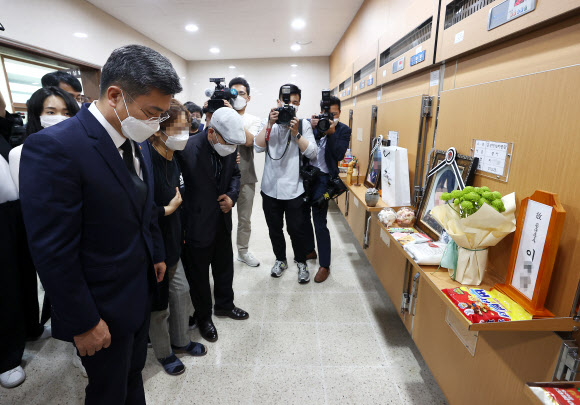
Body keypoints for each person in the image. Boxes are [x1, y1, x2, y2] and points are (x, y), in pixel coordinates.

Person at [19, 44, 180, 404]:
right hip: (99, 307)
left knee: (133, 375)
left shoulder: (134, 140)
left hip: (137, 290)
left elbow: (142, 207)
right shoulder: (55, 147)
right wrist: (83, 322)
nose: (156, 123)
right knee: (108, 390)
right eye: (152, 112)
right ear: (114, 95)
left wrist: (155, 252)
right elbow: (52, 250)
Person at [0, 86, 78, 388]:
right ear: (36, 115)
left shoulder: (82, 146)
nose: (59, 118)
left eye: (65, 112)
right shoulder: (22, 152)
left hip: (77, 231)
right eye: (50, 112)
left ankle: (41, 327)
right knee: (56, 287)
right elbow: (27, 201)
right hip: (46, 234)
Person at [176, 107, 249, 343]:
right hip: (196, 223)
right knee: (199, 274)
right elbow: (178, 187)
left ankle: (225, 305)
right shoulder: (186, 149)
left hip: (221, 219)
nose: (230, 147)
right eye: (227, 142)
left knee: (224, 266)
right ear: (211, 133)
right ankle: (204, 316)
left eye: (233, 144)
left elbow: (236, 174)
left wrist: (232, 196)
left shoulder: (229, 147)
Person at [145, 99, 206, 376]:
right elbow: (135, 209)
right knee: (159, 308)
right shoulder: (146, 160)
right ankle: (164, 352)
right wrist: (166, 210)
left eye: (187, 129)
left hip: (173, 242)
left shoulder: (173, 157)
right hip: (153, 247)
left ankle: (181, 341)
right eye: (178, 130)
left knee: (181, 293)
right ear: (159, 130)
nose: (185, 135)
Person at [254, 84, 318, 283]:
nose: (291, 105)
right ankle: (280, 260)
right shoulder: (268, 122)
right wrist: (269, 124)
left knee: (296, 229)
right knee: (274, 228)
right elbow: (257, 146)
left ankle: (301, 261)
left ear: (299, 104)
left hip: (293, 188)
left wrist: (296, 134)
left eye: (295, 102)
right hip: (269, 187)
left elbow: (313, 153)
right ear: (278, 102)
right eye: (287, 101)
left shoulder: (303, 124)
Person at [305, 96, 352, 283]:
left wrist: (331, 133)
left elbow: (339, 154)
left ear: (339, 113)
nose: (330, 117)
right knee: (302, 216)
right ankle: (310, 250)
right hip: (308, 175)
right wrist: (314, 127)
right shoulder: (312, 125)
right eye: (327, 114)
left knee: (319, 221)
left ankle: (325, 265)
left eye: (334, 114)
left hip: (325, 180)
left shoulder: (343, 130)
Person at [228, 77, 263, 267]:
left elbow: (249, 141)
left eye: (242, 93)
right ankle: (222, 252)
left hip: (246, 175)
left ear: (248, 98)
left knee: (244, 219)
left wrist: (231, 117)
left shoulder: (254, 120)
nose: (238, 97)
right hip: (221, 176)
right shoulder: (219, 114)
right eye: (234, 93)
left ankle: (242, 251)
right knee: (220, 219)